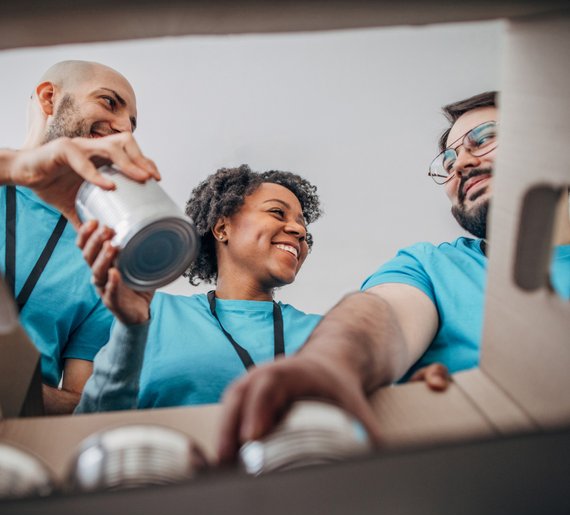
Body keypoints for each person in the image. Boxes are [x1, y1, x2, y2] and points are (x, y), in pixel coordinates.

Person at [216, 91, 570, 462]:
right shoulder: (432, 266)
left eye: (482, 139)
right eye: (448, 162)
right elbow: (383, 313)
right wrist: (330, 364)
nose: (460, 164)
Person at [75, 164, 323, 412]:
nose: (299, 230)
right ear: (222, 228)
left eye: (302, 225)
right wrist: (130, 329)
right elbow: (91, 420)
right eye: (277, 212)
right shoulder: (152, 313)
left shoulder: (324, 331)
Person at [0, 60, 160, 414]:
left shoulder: (102, 255)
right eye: (109, 102)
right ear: (48, 99)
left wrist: (133, 329)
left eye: (131, 125)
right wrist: (15, 166)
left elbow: (85, 409)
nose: (123, 130)